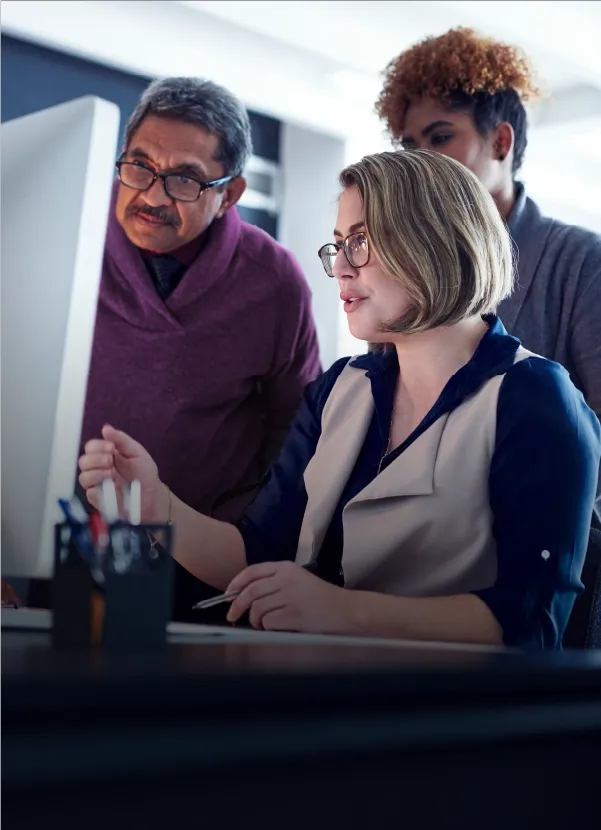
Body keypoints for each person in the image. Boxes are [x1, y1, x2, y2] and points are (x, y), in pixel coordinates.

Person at [79, 151, 601, 649]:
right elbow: (258, 555)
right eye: (338, 246)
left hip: (447, 704)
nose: (342, 268)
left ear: (436, 241)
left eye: (362, 241)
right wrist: (158, 505)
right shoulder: (339, 388)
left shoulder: (536, 399)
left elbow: (530, 624)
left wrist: (338, 609)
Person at [83, 76, 320, 524]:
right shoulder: (69, 226)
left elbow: (295, 429)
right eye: (140, 166)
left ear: (228, 195)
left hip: (201, 544)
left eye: (184, 179)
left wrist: (247, 533)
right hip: (52, 527)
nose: (153, 196)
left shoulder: (275, 283)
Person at [375, 27, 601, 425]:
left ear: (500, 143)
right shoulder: (405, 268)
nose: (421, 163)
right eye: (410, 147)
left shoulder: (581, 264)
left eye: (440, 137)